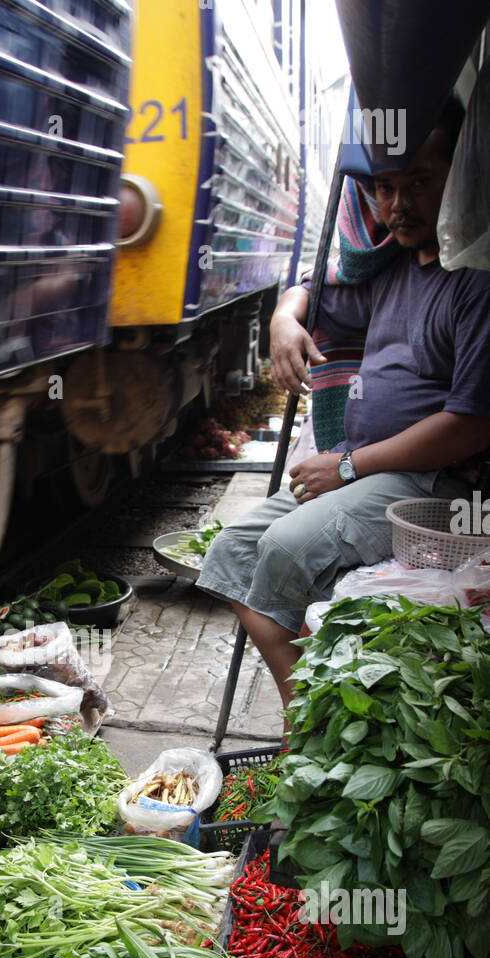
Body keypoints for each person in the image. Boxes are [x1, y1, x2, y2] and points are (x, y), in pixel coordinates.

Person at [196, 99, 490, 729]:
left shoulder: (475, 282)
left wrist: (349, 466)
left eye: (420, 183)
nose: (399, 205)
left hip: (431, 484)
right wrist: (280, 318)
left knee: (283, 547)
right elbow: (317, 291)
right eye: (386, 188)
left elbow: (470, 423)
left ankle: (321, 725)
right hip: (363, 474)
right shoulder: (393, 269)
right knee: (231, 552)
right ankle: (304, 718)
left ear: (460, 181)